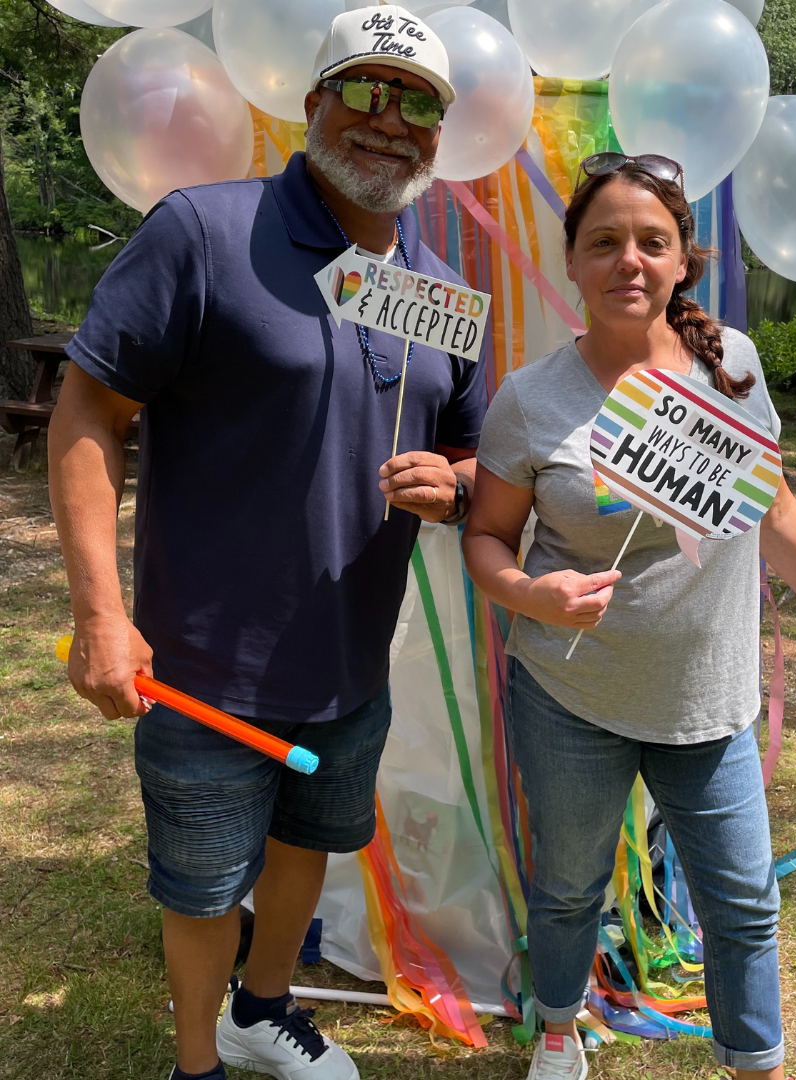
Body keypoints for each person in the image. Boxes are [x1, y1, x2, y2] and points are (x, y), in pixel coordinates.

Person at [48, 8, 487, 1080]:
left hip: (350, 667)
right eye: (367, 90)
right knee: (202, 886)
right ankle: (197, 1063)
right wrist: (101, 614)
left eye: (418, 102)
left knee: (308, 846)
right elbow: (89, 412)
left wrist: (458, 485)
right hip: (204, 671)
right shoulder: (204, 231)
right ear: (314, 101)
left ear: (440, 131)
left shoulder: (442, 295)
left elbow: (477, 457)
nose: (390, 121)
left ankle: (264, 1008)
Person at [462, 152, 796, 1080]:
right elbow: (488, 539)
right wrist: (531, 595)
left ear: (681, 261)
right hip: (569, 695)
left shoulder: (731, 366)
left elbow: (773, 509)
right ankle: (558, 1031)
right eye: (604, 243)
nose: (628, 260)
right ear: (572, 263)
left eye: (651, 242)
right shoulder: (529, 399)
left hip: (708, 702)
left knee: (743, 903)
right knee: (569, 886)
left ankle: (757, 1064)